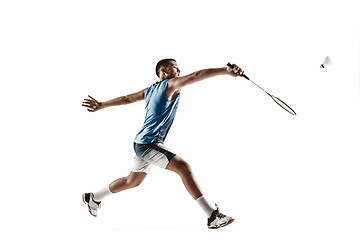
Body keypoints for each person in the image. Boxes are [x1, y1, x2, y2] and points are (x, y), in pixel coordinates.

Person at [81, 59, 244, 229]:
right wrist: (225, 70)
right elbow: (196, 76)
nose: (180, 70)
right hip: (149, 143)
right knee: (183, 167)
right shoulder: (170, 84)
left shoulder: (150, 90)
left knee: (132, 181)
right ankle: (212, 216)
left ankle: (94, 197)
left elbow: (127, 98)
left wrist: (101, 105)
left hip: (141, 142)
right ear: (164, 71)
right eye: (175, 67)